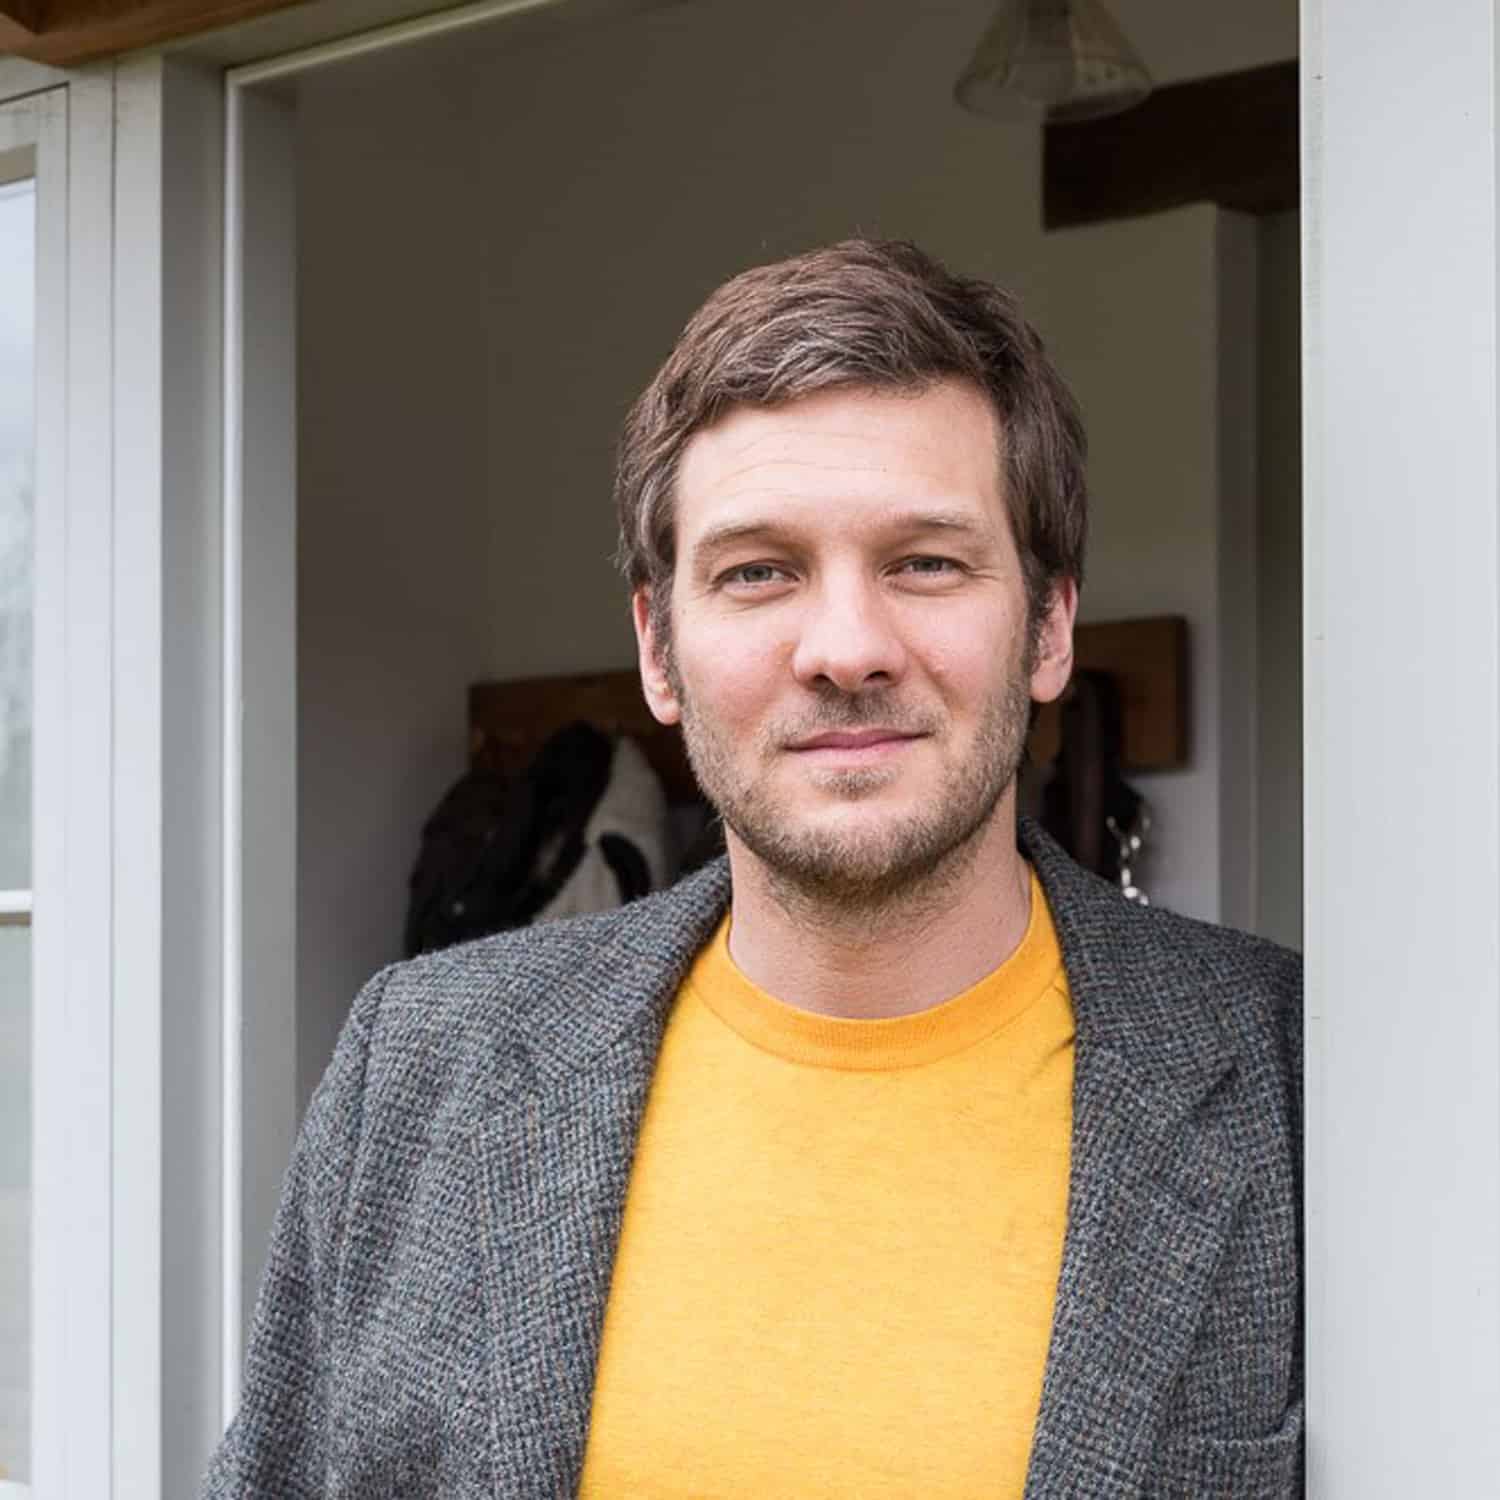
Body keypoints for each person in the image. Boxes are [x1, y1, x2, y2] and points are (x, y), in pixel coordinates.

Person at [203, 238, 1302, 1499]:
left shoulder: (1298, 1082)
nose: (844, 648)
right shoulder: (421, 1063)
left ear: (1049, 625)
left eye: (926, 562)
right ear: (659, 651)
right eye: (759, 572)